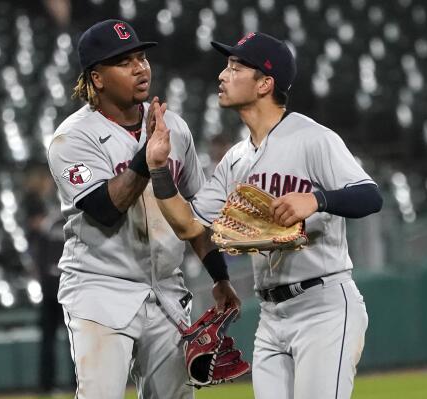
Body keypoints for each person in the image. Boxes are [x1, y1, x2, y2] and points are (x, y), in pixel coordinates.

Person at [146, 32, 383, 399]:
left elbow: (370, 196)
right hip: (271, 316)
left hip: (324, 307)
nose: (223, 75)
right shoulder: (236, 160)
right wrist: (159, 170)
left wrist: (316, 200)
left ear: (265, 84)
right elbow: (188, 225)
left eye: (236, 67)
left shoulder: (312, 138)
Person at [46, 19, 239, 399]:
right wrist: (146, 157)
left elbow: (195, 213)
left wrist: (219, 276)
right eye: (124, 61)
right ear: (97, 78)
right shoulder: (73, 137)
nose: (140, 67)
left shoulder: (175, 130)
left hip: (166, 291)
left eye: (141, 57)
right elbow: (105, 208)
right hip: (100, 288)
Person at [23, 163, 65, 393]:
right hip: (52, 284)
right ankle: (48, 385)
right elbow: (37, 227)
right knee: (56, 338)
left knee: (56, 338)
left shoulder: (45, 205)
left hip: (53, 281)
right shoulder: (34, 202)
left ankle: (50, 385)